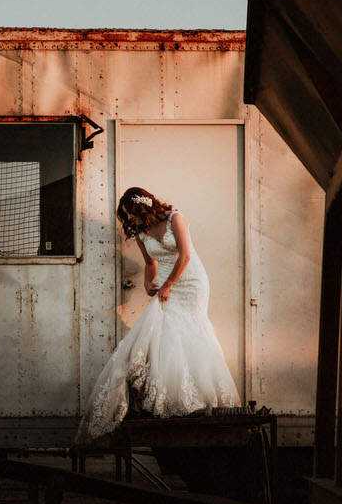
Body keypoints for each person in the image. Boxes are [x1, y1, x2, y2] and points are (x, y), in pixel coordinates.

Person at [76, 187, 240, 443]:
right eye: (127, 217)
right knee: (165, 334)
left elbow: (185, 256)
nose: (130, 221)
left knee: (192, 331)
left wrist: (167, 286)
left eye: (130, 214)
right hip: (165, 281)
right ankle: (171, 400)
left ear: (141, 207)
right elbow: (150, 263)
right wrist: (147, 283)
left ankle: (200, 399)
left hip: (192, 282)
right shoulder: (141, 232)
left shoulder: (176, 218)